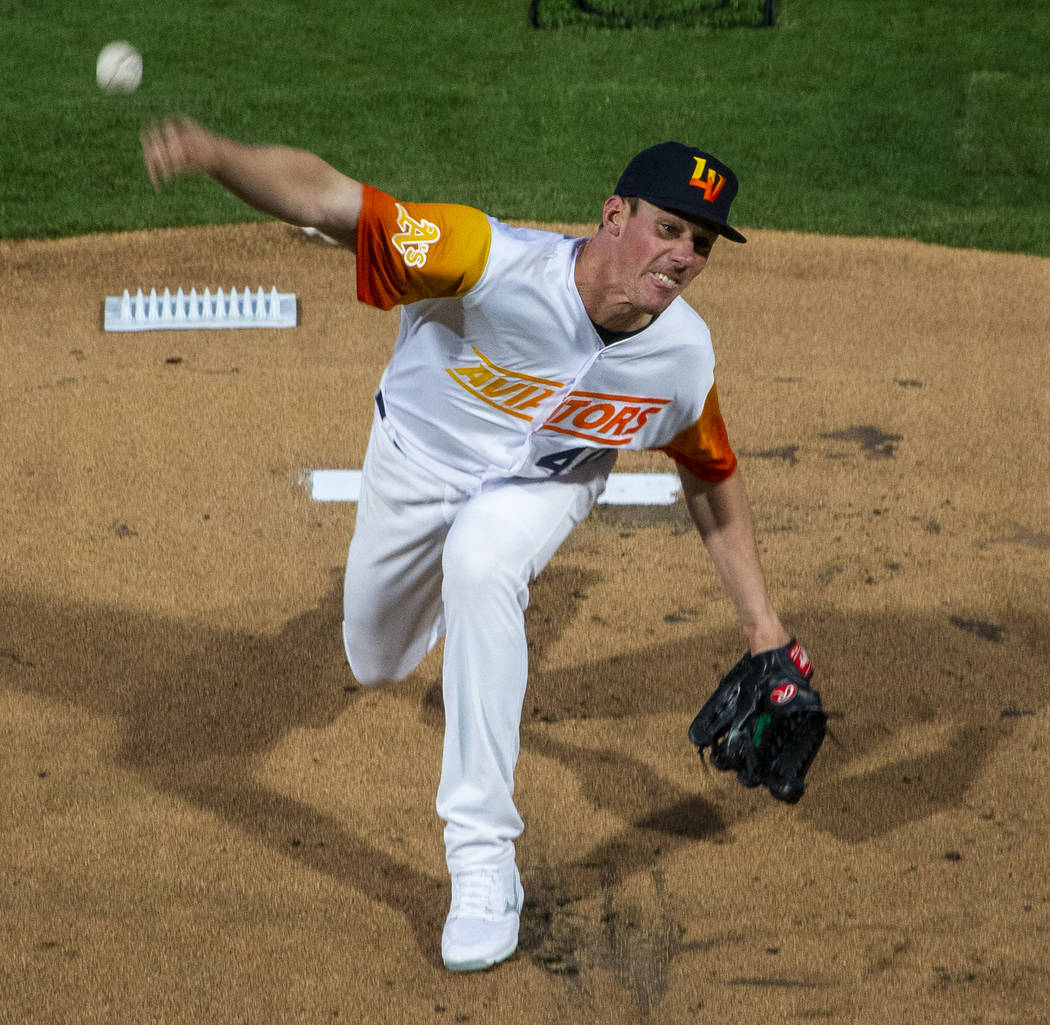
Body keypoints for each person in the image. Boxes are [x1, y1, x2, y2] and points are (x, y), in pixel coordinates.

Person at [141, 120, 796, 972]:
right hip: (415, 466)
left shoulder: (682, 356)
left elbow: (710, 472)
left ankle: (483, 862)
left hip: (543, 489)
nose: (682, 254)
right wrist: (215, 156)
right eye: (667, 227)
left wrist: (764, 626)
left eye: (701, 242)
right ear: (612, 214)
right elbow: (331, 200)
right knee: (376, 660)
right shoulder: (481, 257)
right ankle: (457, 617)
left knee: (484, 560)